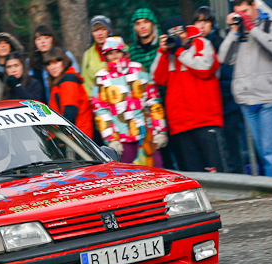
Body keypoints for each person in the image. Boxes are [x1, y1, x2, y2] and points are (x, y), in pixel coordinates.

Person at [218, 0, 272, 179]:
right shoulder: (239, 32)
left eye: (245, 10)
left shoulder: (271, 26)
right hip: (247, 99)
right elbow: (223, 58)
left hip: (271, 97)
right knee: (263, 153)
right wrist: (233, 31)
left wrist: (252, 27)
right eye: (239, 12)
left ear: (254, 6)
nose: (243, 15)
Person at [152, 22, 225, 172]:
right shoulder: (168, 52)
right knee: (194, 173)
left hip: (205, 120)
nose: (178, 37)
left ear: (187, 32)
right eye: (173, 35)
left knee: (216, 170)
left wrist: (180, 51)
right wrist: (163, 52)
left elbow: (205, 68)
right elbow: (157, 78)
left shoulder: (201, 43)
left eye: (181, 33)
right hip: (180, 123)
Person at [91, 37, 168, 167]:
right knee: (130, 173)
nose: (114, 55)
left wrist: (160, 130)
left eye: (117, 51)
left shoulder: (138, 69)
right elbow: (101, 110)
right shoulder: (101, 78)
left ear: (123, 52)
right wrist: (111, 139)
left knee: (156, 171)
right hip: (122, 138)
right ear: (105, 56)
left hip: (146, 134)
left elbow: (153, 100)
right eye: (110, 53)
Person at [194, 6, 245, 173]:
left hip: (227, 107)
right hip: (208, 111)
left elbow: (227, 76)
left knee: (232, 153)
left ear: (213, 24)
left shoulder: (219, 43)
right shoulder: (193, 47)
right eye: (198, 21)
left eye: (206, 21)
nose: (202, 25)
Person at [44, 47, 93, 138]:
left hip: (75, 137)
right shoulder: (59, 80)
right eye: (49, 64)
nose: (52, 67)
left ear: (64, 62)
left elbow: (70, 111)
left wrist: (63, 138)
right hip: (72, 135)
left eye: (56, 62)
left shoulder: (68, 79)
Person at [28, 25, 80, 104]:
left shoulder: (65, 55)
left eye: (46, 38)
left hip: (67, 102)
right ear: (34, 42)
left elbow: (76, 76)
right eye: (38, 39)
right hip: (41, 107)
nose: (42, 42)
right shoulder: (31, 61)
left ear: (52, 39)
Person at [81, 15, 113, 97]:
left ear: (109, 31)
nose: (99, 33)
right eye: (95, 30)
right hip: (98, 99)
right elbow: (86, 82)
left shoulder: (122, 48)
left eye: (103, 29)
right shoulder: (88, 55)